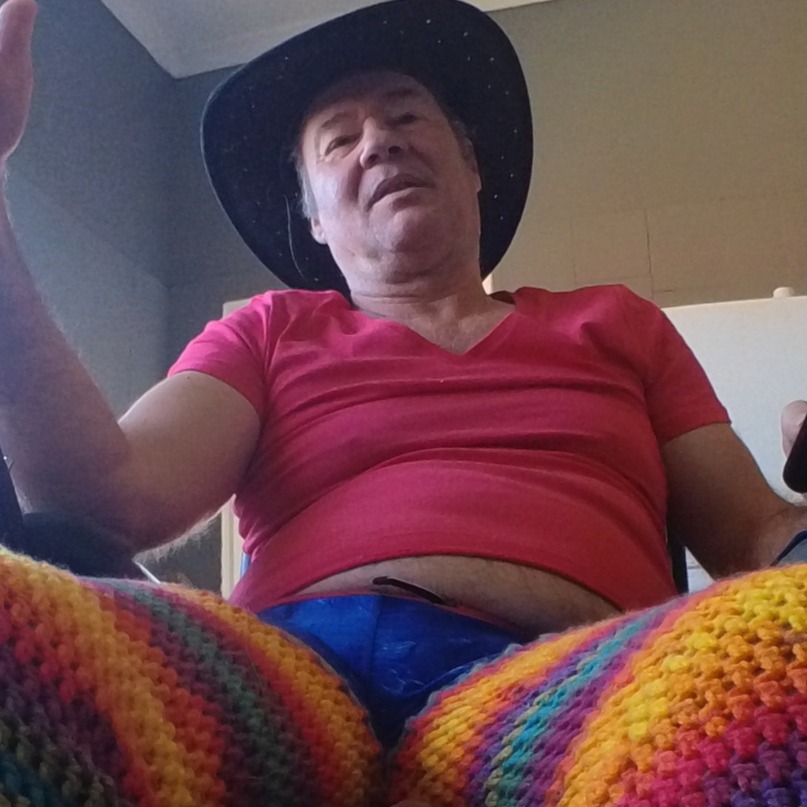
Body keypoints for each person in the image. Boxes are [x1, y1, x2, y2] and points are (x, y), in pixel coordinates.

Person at [1, 0, 807, 786]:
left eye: (406, 116)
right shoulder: (267, 330)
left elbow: (755, 532)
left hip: (571, 691)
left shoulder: (618, 325)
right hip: (280, 679)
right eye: (338, 139)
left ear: (471, 164)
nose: (378, 141)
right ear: (313, 218)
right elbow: (103, 499)